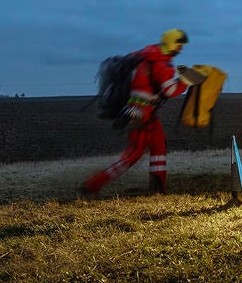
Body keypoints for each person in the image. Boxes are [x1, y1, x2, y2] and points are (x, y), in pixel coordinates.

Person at [82, 28, 202, 197]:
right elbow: (170, 91)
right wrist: (186, 80)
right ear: (172, 44)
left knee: (158, 146)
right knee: (132, 155)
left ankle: (158, 188)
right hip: (141, 114)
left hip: (143, 111)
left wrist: (179, 78)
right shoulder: (160, 62)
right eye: (179, 45)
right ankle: (92, 185)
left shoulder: (147, 55)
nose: (180, 49)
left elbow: (153, 85)